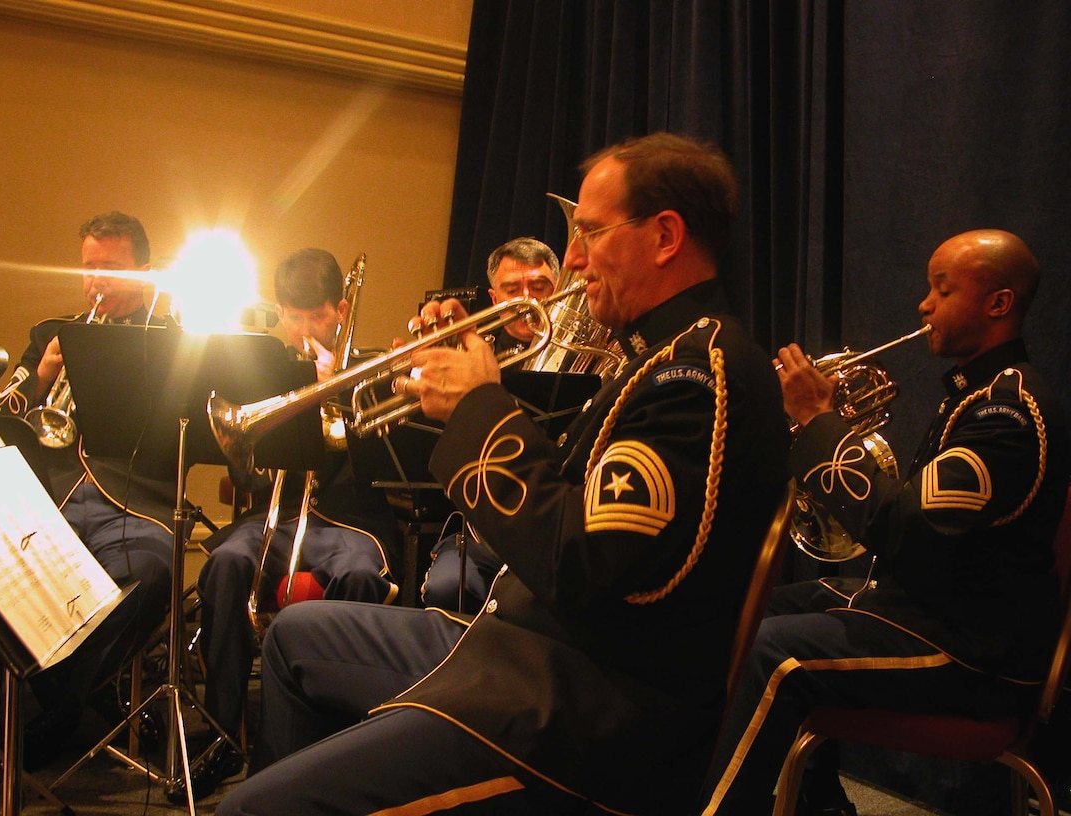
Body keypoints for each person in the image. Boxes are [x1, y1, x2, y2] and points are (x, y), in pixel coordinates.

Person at [217, 132, 792, 816]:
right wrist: (465, 372)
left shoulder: (699, 376)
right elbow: (567, 480)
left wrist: (480, 406)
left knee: (247, 810)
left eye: (588, 233)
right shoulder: (658, 356)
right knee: (296, 636)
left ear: (665, 236)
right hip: (522, 650)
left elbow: (581, 564)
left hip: (580, 710)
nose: (573, 260)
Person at [698, 229, 1070, 816]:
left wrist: (822, 423)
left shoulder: (1008, 414)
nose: (923, 304)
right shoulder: (973, 395)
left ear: (999, 304)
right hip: (920, 607)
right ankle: (817, 803)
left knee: (774, 652)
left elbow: (905, 533)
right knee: (746, 607)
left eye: (942, 291)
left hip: (971, 649)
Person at [181, 247, 402, 802]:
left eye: (318, 317)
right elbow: (247, 476)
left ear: (343, 309)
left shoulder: (378, 367)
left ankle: (340, 738)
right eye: (294, 318)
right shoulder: (269, 371)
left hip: (354, 524)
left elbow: (391, 465)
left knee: (359, 579)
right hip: (281, 516)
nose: (306, 332)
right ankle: (223, 730)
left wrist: (347, 390)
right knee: (227, 564)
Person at [0, 211, 175, 767]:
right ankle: (75, 697)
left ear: (145, 273)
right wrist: (43, 374)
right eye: (89, 269)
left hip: (135, 504)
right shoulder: (51, 333)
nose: (97, 283)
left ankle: (57, 706)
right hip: (53, 502)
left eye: (112, 270)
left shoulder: (170, 343)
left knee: (152, 572)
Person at [419, 236, 559, 613]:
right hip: (480, 527)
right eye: (513, 289)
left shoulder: (583, 359)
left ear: (558, 291)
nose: (527, 299)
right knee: (449, 588)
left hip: (549, 527)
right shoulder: (466, 358)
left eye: (539, 287)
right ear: (495, 301)